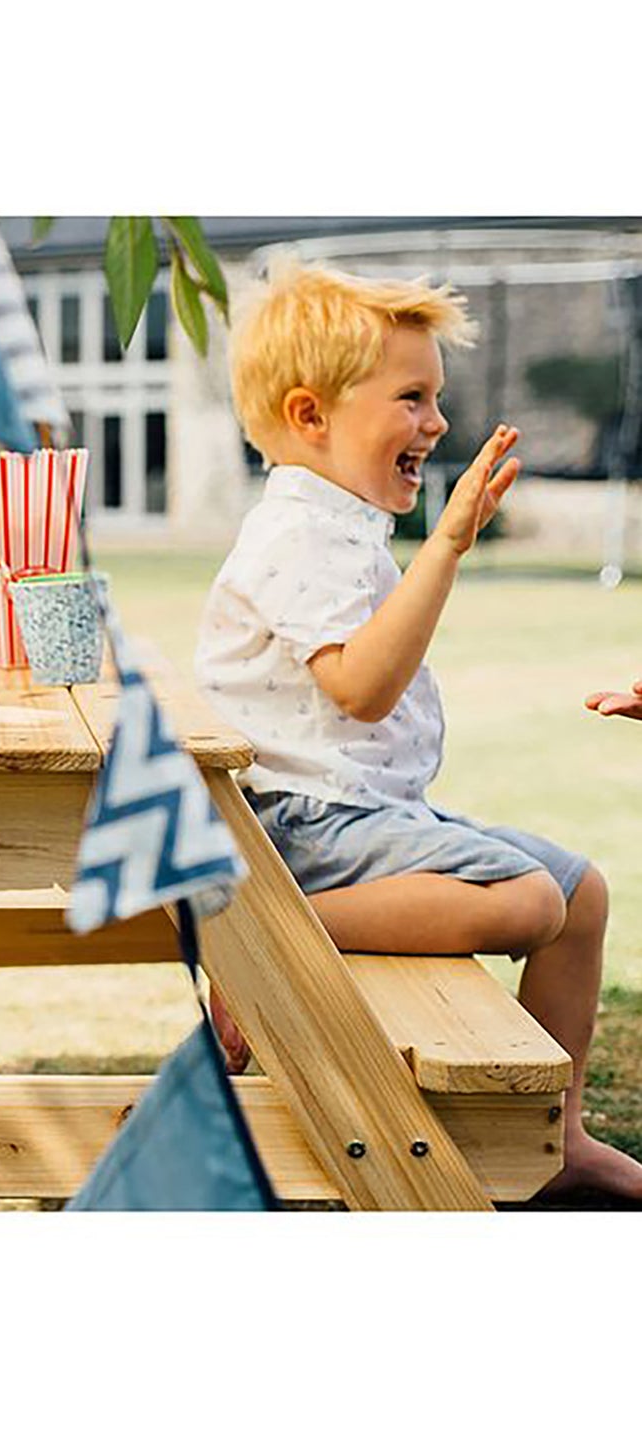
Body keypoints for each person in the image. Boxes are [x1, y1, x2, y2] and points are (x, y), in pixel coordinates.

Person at [194, 258, 642, 1202]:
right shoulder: (296, 534)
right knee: (526, 901)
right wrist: (445, 548)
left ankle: (554, 1138)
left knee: (579, 895)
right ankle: (256, 939)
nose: (436, 422)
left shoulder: (340, 524)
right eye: (411, 398)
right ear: (311, 415)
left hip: (360, 814)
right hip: (301, 826)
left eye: (434, 397)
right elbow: (359, 688)